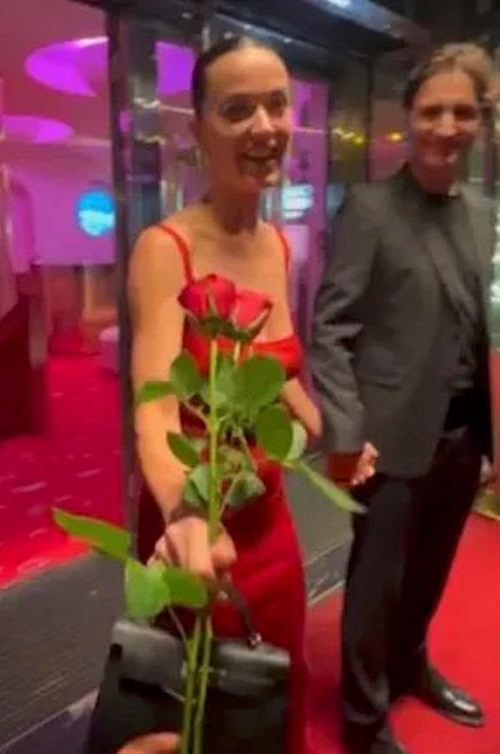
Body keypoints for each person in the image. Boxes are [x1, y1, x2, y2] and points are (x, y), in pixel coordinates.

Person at [129, 36, 322, 754]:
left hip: (272, 526)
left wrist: (329, 428)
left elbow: (277, 367)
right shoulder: (165, 248)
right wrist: (184, 517)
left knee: (276, 693)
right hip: (198, 528)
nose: (264, 127)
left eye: (276, 105)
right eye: (237, 110)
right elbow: (154, 408)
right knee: (201, 713)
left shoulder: (277, 242)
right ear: (198, 130)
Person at [311, 43, 496, 754]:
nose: (446, 127)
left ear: (480, 120)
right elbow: (330, 328)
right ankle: (362, 721)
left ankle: (409, 665)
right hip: (385, 436)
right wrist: (344, 432)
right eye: (432, 111)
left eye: (462, 112)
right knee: (375, 586)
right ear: (407, 117)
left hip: (464, 433)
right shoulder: (369, 209)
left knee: (431, 569)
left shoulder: (484, 213)